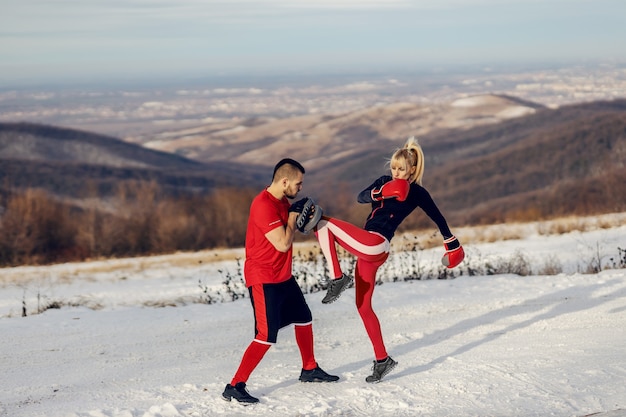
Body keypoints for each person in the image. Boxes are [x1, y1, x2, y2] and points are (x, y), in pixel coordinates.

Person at [309, 136, 464, 383]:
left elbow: (438, 217)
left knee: (323, 223)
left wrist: (452, 243)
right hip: (370, 249)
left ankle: (337, 278)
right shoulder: (384, 182)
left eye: (401, 169)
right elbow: (360, 197)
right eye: (393, 167)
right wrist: (381, 191)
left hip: (376, 243)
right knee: (363, 306)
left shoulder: (417, 192)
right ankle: (383, 360)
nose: (396, 172)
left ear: (412, 169)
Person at [222, 158, 339, 405]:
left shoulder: (283, 201)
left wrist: (307, 217)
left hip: (282, 275)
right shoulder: (263, 205)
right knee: (265, 335)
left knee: (304, 318)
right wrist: (292, 218)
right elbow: (283, 242)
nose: (300, 188)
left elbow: (294, 224)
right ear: (284, 181)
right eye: (298, 183)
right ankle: (235, 385)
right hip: (264, 278)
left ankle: (309, 369)